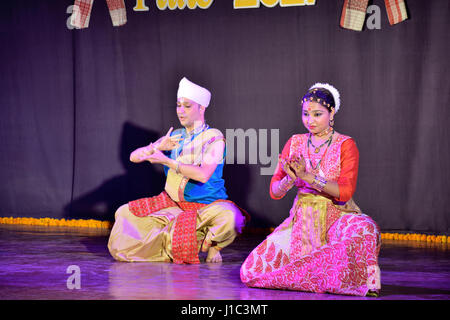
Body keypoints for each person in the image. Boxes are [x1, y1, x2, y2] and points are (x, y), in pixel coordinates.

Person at [240, 83, 381, 297]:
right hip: (300, 221)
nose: (310, 120)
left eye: (317, 114)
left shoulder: (345, 144)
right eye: (306, 114)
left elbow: (345, 192)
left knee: (367, 229)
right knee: (250, 271)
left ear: (331, 112)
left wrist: (309, 177)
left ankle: (349, 281)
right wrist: (291, 179)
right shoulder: (294, 142)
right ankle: (325, 276)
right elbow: (275, 191)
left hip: (336, 217)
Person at [108, 77, 246, 264]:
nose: (181, 111)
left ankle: (213, 246)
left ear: (201, 108)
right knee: (124, 213)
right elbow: (134, 157)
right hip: (172, 206)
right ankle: (182, 240)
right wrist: (156, 146)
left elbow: (203, 174)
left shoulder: (215, 138)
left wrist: (167, 161)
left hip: (206, 210)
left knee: (231, 217)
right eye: (178, 105)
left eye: (187, 106)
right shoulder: (175, 136)